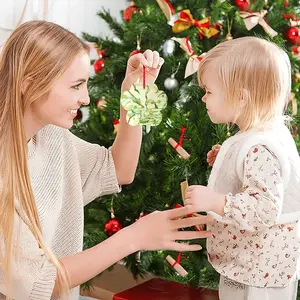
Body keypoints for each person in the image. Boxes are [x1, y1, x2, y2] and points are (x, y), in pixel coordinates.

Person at [0, 20, 212, 300]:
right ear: (29, 83)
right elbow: (38, 282)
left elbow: (118, 170)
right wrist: (134, 237)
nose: (86, 98)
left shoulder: (51, 137)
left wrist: (131, 94)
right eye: (76, 86)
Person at [184, 36, 300, 300]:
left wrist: (215, 201)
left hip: (258, 273)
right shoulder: (263, 133)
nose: (204, 98)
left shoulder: (260, 148)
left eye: (209, 91)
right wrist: (225, 157)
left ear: (241, 97)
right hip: (257, 266)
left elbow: (264, 209)